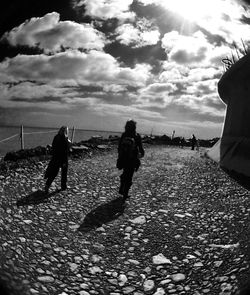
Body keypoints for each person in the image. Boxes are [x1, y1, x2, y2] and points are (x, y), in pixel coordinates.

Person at [116, 120, 145, 200]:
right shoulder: (137, 135)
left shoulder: (124, 135)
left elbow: (119, 147)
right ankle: (125, 192)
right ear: (134, 127)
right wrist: (142, 154)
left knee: (125, 172)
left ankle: (122, 186)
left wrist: (120, 156)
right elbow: (140, 147)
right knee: (130, 175)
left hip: (123, 158)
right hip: (133, 158)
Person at [44, 126, 71, 193]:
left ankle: (47, 186)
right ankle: (63, 186)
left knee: (53, 173)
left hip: (55, 158)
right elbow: (66, 151)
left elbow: (53, 147)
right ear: (66, 131)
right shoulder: (65, 139)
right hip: (63, 159)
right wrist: (69, 143)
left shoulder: (56, 137)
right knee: (64, 173)